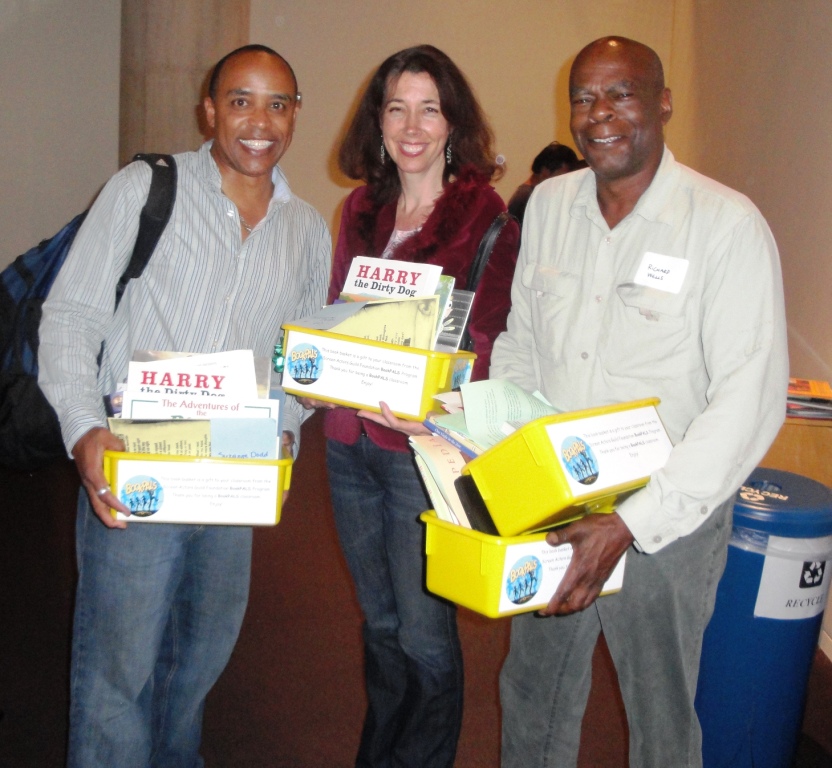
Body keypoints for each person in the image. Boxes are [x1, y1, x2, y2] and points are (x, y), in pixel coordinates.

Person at [492, 36, 788, 767]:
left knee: (659, 716)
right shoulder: (550, 206)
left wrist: (629, 523)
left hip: (669, 516)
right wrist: (503, 461)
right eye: (584, 98)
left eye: (621, 93)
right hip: (559, 504)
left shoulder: (727, 226)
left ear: (662, 102)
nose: (600, 114)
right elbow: (522, 346)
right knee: (532, 693)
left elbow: (747, 401)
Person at [38, 44, 330, 767]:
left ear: (296, 114)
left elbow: (301, 360)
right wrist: (83, 432)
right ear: (209, 110)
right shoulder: (146, 187)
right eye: (240, 101)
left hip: (233, 480)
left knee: (196, 669)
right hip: (137, 466)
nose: (259, 122)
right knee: (118, 675)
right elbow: (70, 316)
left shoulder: (307, 230)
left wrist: (287, 428)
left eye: (277, 103)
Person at [311, 44, 519, 768]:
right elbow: (338, 315)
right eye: (397, 107)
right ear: (378, 120)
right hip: (346, 445)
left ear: (453, 122)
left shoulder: (484, 219)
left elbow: (488, 340)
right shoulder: (358, 209)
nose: (412, 125)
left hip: (419, 455)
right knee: (379, 622)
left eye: (429, 108)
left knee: (426, 634)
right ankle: (382, 752)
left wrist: (432, 404)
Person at [506, 141, 580, 227]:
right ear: (545, 171)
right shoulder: (529, 198)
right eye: (562, 177)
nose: (566, 183)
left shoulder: (528, 195)